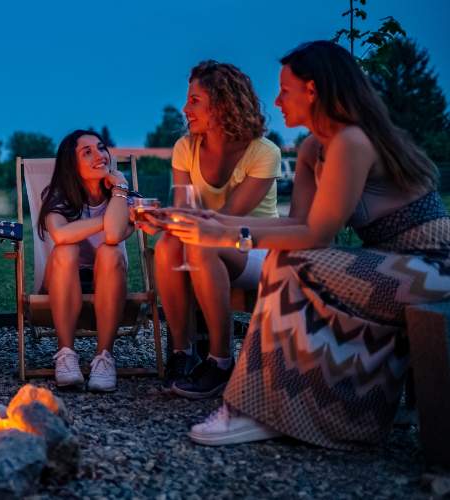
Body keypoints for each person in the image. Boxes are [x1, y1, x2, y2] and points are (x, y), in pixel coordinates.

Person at [161, 40, 450, 448]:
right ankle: (274, 405)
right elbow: (299, 223)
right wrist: (216, 221)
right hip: (391, 263)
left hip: (434, 266)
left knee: (292, 262)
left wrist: (225, 234)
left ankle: (253, 408)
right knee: (286, 257)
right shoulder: (316, 146)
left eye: (285, 90)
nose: (277, 100)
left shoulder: (351, 140)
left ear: (312, 91)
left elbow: (318, 234)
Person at [137, 61, 282, 398]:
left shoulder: (264, 152)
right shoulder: (185, 148)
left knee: (199, 243)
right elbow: (186, 212)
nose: (186, 108)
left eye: (195, 100)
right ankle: (183, 354)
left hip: (255, 247)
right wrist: (162, 220)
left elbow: (230, 219)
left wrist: (175, 219)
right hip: (202, 243)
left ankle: (220, 361)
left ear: (223, 103)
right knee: (169, 244)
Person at [38, 130, 135, 392]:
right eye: (87, 152)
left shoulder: (122, 196)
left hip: (108, 280)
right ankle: (66, 354)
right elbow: (60, 234)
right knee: (65, 250)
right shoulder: (57, 195)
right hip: (63, 280)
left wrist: (120, 189)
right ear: (72, 163)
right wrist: (107, 219)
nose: (99, 156)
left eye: (101, 148)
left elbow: (115, 234)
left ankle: (104, 357)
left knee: (110, 251)